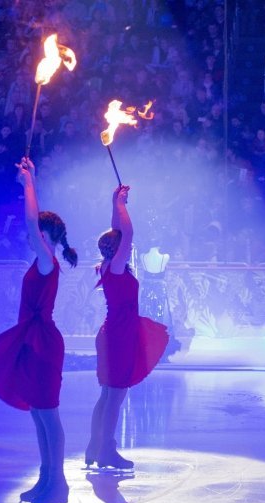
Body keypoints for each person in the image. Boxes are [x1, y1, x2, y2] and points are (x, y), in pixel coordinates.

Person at [0, 157, 77, 503]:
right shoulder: (43, 260)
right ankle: (46, 479)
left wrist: (28, 184)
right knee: (39, 412)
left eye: (37, 231)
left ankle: (59, 484)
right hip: (35, 342)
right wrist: (32, 178)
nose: (30, 235)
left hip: (43, 344)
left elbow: (29, 220)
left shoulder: (47, 259)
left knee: (48, 413)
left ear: (47, 234)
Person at [86, 185, 169, 472]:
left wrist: (114, 204)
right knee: (115, 395)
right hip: (119, 337)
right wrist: (122, 204)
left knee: (108, 394)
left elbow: (118, 233)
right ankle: (106, 450)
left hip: (114, 334)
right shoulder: (117, 266)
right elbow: (128, 235)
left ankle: (94, 447)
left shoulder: (110, 264)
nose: (129, 248)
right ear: (118, 248)